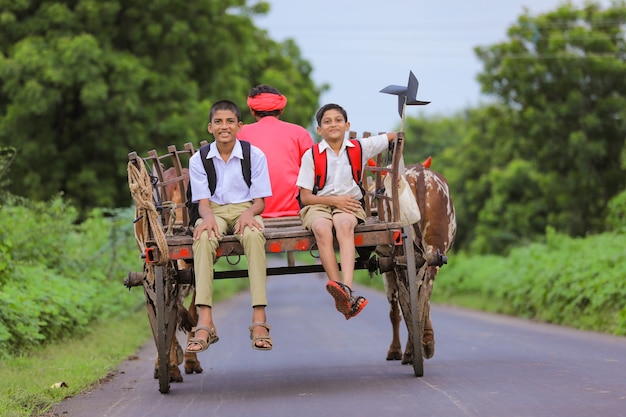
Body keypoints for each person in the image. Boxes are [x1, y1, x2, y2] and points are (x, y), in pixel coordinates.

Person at [186, 99, 274, 352]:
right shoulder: (199, 159)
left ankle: (259, 318)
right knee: (202, 239)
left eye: (229, 121)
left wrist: (249, 214)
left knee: (255, 236)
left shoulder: (253, 155)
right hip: (213, 210)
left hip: (246, 208)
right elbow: (202, 203)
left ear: (239, 126)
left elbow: (260, 202)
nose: (224, 126)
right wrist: (208, 218)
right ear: (210, 127)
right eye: (218, 122)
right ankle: (205, 320)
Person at [296, 103, 398, 320]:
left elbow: (391, 136)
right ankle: (339, 290)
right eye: (327, 121)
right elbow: (305, 197)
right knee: (322, 228)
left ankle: (347, 289)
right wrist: (334, 201)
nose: (333, 124)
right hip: (318, 204)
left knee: (344, 225)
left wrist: (399, 134)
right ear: (319, 129)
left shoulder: (359, 147)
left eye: (338, 120)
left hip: (350, 205)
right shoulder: (311, 155)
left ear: (347, 125)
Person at [239, 84, 314, 218]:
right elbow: (314, 171)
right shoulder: (300, 132)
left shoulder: (239, 133)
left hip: (250, 214)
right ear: (281, 110)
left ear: (252, 110)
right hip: (296, 211)